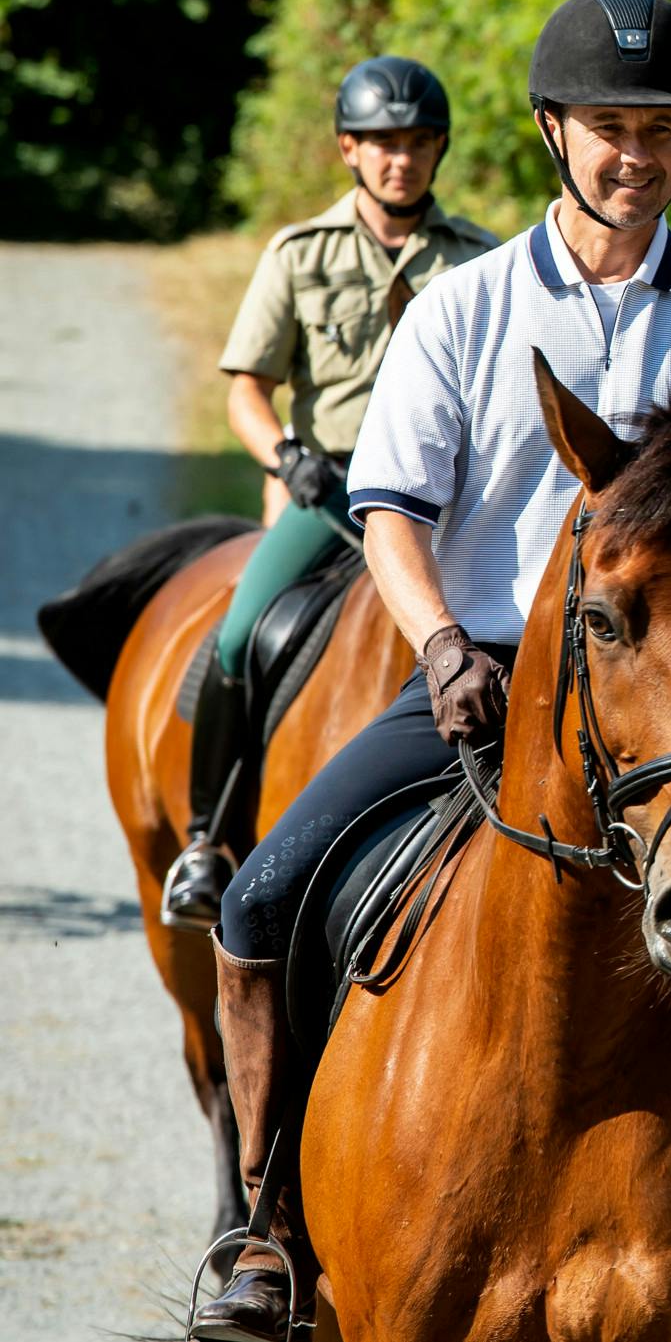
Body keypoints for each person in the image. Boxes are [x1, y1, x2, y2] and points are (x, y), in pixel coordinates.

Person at [188, 0, 671, 1342]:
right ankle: (270, 1236)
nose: (636, 153)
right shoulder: (463, 310)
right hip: (478, 682)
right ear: (551, 133)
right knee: (261, 905)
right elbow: (392, 511)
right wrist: (438, 640)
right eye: (609, 128)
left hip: (670, 704)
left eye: (661, 129)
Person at [161, 58, 498, 933]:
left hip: (441, 492)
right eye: (385, 144)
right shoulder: (298, 253)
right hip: (329, 487)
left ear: (439, 151)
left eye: (420, 143)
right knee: (240, 631)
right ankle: (205, 839)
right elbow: (246, 386)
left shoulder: (479, 261)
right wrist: (285, 455)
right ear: (349, 148)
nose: (402, 161)